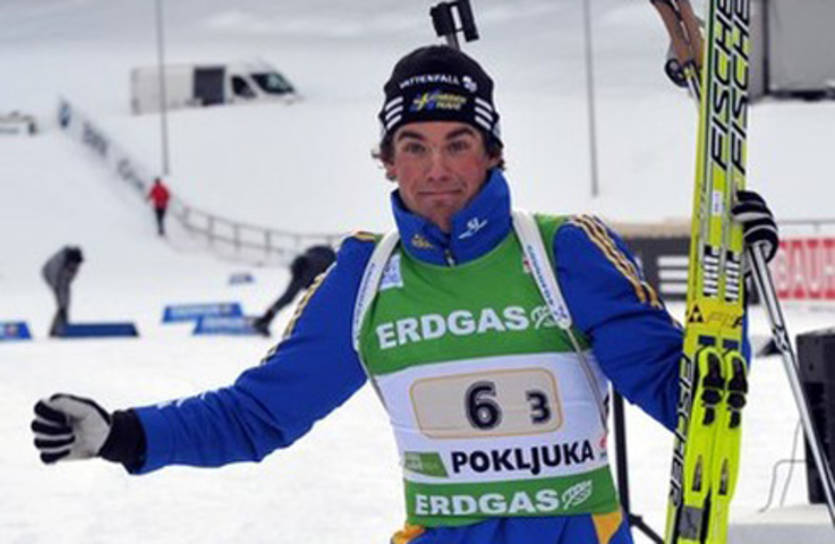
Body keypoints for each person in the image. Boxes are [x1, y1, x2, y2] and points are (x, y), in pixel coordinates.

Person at [31, 46, 779, 543]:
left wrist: (728, 290)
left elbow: (690, 403)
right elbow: (259, 415)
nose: (437, 169)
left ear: (492, 153)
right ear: (387, 161)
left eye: (458, 143)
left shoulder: (563, 252)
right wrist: (123, 434)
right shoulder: (364, 278)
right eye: (413, 147)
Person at [251, 244, 336, 336]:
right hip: (309, 271)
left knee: (288, 298)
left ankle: (265, 319)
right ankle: (264, 321)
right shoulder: (330, 260)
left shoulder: (319, 253)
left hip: (301, 266)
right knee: (316, 302)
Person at [41, 246, 84, 337]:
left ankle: (62, 326)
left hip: (64, 281)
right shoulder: (57, 264)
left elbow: (69, 279)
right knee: (62, 305)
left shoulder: (75, 264)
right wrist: (58, 290)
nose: (75, 266)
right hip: (52, 278)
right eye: (73, 264)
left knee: (65, 304)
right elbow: (54, 278)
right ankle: (56, 330)